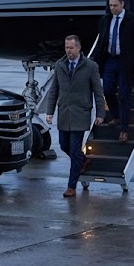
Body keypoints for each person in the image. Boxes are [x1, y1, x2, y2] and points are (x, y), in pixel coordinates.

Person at [45, 35, 106, 198]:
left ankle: (71, 186)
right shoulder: (59, 65)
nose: (68, 51)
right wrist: (49, 112)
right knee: (64, 145)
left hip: (80, 113)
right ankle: (83, 160)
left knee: (73, 148)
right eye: (66, 48)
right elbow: (54, 91)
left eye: (71, 48)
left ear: (79, 48)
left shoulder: (90, 66)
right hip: (64, 113)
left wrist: (100, 113)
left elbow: (98, 92)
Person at [92, 0, 134, 142]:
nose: (112, 8)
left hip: (126, 61)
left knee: (123, 95)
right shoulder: (105, 20)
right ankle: (115, 116)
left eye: (115, 5)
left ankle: (124, 129)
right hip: (110, 59)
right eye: (110, 6)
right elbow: (101, 41)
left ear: (122, 4)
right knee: (107, 90)